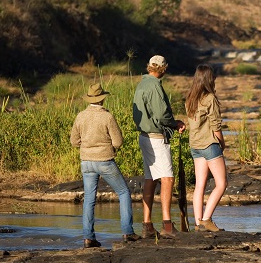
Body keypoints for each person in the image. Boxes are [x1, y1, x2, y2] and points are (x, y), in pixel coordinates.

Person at [70, 83, 141, 248]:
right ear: (102, 99)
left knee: (89, 199)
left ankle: (88, 237)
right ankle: (127, 232)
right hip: (105, 160)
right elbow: (118, 142)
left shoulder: (80, 116)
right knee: (123, 192)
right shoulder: (107, 117)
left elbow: (74, 142)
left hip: (86, 161)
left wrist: (87, 145)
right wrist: (108, 145)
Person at [133, 55, 186, 239]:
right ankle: (167, 225)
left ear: (149, 67)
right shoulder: (155, 85)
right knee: (167, 179)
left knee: (150, 179)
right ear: (163, 69)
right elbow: (162, 115)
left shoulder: (141, 84)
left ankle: (147, 225)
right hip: (156, 137)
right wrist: (175, 123)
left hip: (144, 136)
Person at [185, 64, 228, 232]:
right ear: (209, 79)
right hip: (209, 144)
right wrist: (222, 144)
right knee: (221, 183)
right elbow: (216, 126)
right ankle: (207, 219)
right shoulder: (210, 98)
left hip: (195, 145)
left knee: (199, 186)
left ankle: (198, 223)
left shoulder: (190, 98)